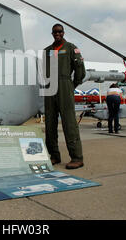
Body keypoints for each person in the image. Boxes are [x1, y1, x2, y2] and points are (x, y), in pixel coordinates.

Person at [44, 23, 86, 169]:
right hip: (49, 89)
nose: (57, 34)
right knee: (49, 123)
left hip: (64, 85)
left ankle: (77, 157)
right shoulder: (47, 51)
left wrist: (72, 85)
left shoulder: (70, 48)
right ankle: (54, 155)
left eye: (60, 31)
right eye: (55, 32)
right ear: (52, 33)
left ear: (63, 32)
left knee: (69, 123)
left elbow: (80, 69)